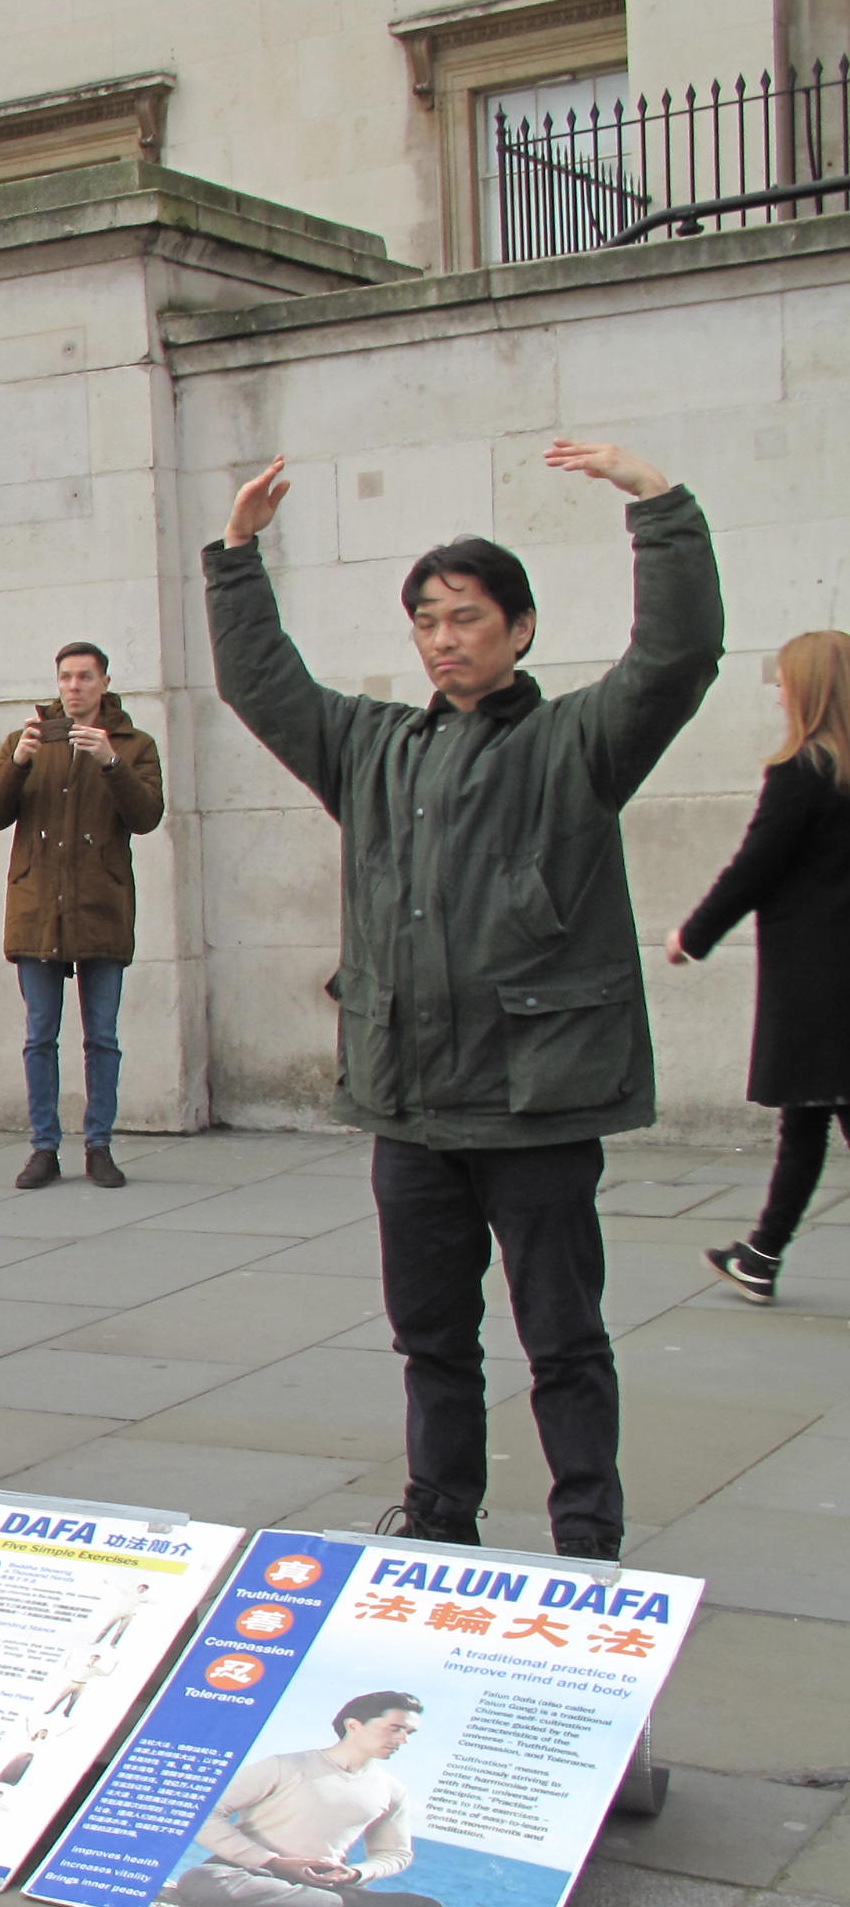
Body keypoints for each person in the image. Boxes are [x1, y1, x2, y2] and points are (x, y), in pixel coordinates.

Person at [207, 442, 717, 1560]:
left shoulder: (574, 743)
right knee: (431, 1341)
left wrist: (660, 509)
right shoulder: (373, 748)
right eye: (428, 621)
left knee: (563, 1339)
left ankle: (586, 1533)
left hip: (533, 1104)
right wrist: (237, 558)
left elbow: (678, 658)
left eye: (468, 618)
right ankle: (441, 1524)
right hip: (414, 1107)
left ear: (520, 629)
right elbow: (264, 686)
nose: (445, 639)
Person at [668, 630, 850, 1304]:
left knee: (811, 1114)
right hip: (832, 981)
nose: (777, 690)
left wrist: (694, 933)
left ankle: (764, 1253)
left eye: (784, 680)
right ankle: (762, 1254)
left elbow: (754, 868)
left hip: (817, 982)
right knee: (805, 1118)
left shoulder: (801, 773)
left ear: (811, 690)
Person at [0, 639, 164, 1190]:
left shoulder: (134, 744)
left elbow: (147, 816)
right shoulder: (25, 740)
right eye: (66, 677)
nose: (74, 687)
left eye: (85, 677)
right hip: (37, 907)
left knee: (102, 1036)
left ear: (104, 683)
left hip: (99, 904)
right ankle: (43, 1148)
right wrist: (18, 764)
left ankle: (99, 1146)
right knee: (39, 1036)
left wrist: (109, 761)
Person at [161, 1691, 469, 1907]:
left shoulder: (391, 1790)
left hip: (322, 1883)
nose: (402, 1740)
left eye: (409, 1734)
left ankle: (339, 1906)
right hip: (246, 1872)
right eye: (395, 1729)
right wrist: (274, 1861)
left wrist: (360, 1873)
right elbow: (205, 1813)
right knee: (202, 1881)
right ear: (353, 1725)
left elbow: (396, 1853)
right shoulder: (285, 1765)